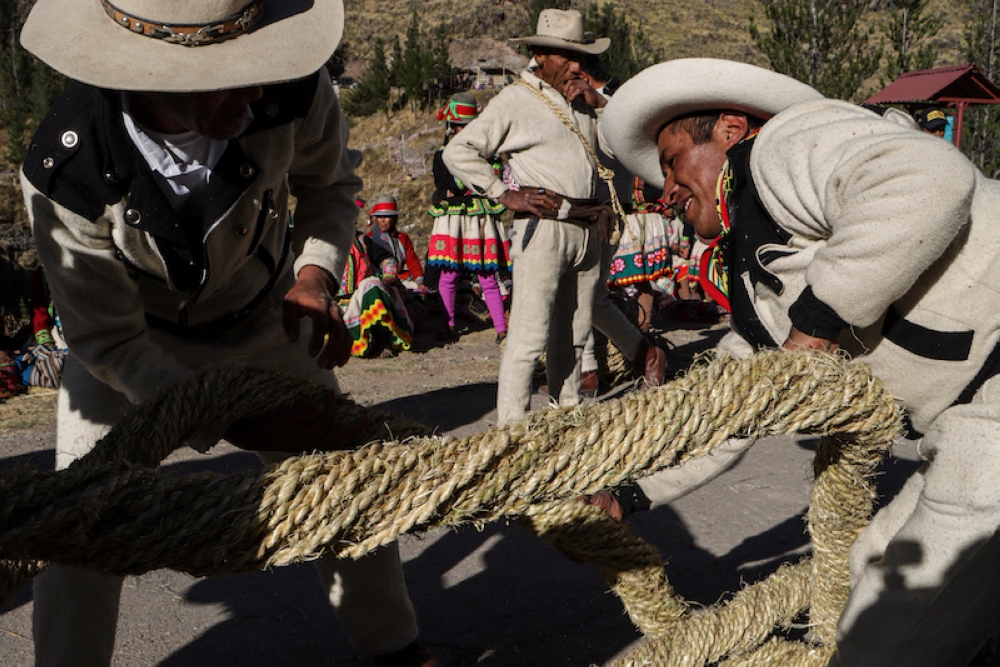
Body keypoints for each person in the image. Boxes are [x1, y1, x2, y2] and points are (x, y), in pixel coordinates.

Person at [17, 1, 435, 666]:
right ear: (151, 76)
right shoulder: (64, 170)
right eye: (230, 73)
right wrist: (231, 418)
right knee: (83, 522)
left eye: (258, 62)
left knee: (341, 476)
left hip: (265, 318)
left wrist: (314, 276)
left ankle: (394, 645)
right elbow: (108, 342)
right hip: (133, 349)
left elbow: (330, 189)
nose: (258, 84)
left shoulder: (293, 86)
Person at [599, 57, 1000, 665]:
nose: (668, 191)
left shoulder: (782, 144)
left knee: (884, 639)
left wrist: (815, 326)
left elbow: (928, 175)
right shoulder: (763, 272)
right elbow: (736, 401)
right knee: (873, 569)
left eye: (674, 163)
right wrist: (627, 493)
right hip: (969, 420)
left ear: (732, 130)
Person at [443, 8, 615, 425]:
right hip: (544, 229)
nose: (576, 65)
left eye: (580, 56)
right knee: (528, 338)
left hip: (587, 228)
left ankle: (566, 426)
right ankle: (511, 435)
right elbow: (458, 151)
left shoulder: (584, 100)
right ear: (539, 53)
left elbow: (618, 146)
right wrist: (506, 194)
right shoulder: (516, 99)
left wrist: (598, 102)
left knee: (573, 338)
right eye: (564, 55)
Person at [427, 93, 511, 344]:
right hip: (454, 219)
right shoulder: (443, 155)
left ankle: (501, 328)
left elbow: (488, 181)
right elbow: (448, 184)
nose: (458, 130)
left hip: (479, 219)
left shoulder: (490, 155)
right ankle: (448, 325)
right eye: (456, 126)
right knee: (450, 273)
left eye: (463, 126)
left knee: (486, 274)